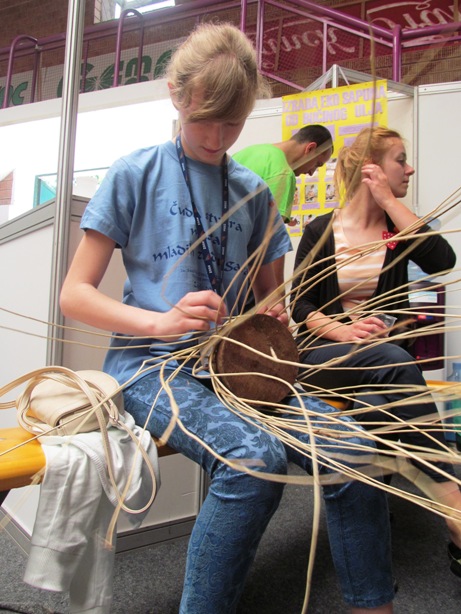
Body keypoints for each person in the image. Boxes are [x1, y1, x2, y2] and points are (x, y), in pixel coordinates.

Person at [60, 24, 395, 613]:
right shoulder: (135, 173)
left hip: (238, 368)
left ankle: (375, 606)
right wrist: (162, 322)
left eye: (233, 123)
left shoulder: (254, 192)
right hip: (152, 365)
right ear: (176, 95)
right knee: (253, 461)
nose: (217, 137)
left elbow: (273, 298)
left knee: (353, 452)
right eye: (205, 119)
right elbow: (75, 295)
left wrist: (273, 318)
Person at [291, 125, 461, 578]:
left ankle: (368, 525)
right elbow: (300, 306)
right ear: (372, 168)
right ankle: (453, 503)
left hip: (383, 366)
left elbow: (443, 262)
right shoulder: (321, 231)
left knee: (374, 400)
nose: (410, 168)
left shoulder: (397, 229)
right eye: (400, 160)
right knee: (394, 362)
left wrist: (387, 200)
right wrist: (343, 331)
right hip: (324, 358)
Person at [234, 125, 333, 289]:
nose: (311, 172)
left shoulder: (252, 151)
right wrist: (278, 295)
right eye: (317, 164)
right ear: (310, 148)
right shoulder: (284, 173)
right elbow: (272, 244)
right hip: (246, 276)